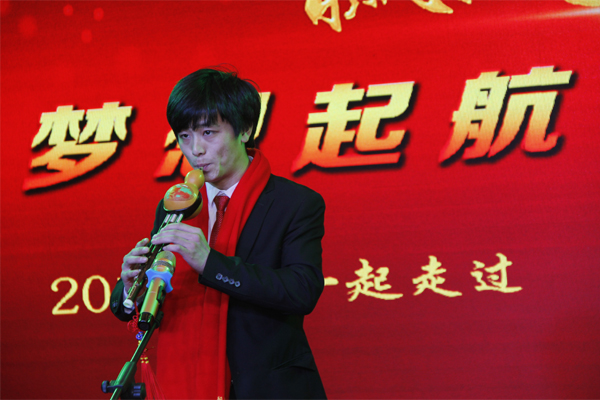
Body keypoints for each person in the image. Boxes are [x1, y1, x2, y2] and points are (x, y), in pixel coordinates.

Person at [110, 67, 327, 399]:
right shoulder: (175, 205)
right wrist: (131, 287)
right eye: (184, 136)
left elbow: (302, 291)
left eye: (208, 132)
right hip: (182, 381)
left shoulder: (294, 203)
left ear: (245, 129)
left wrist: (209, 262)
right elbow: (134, 306)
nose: (195, 149)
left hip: (267, 389)